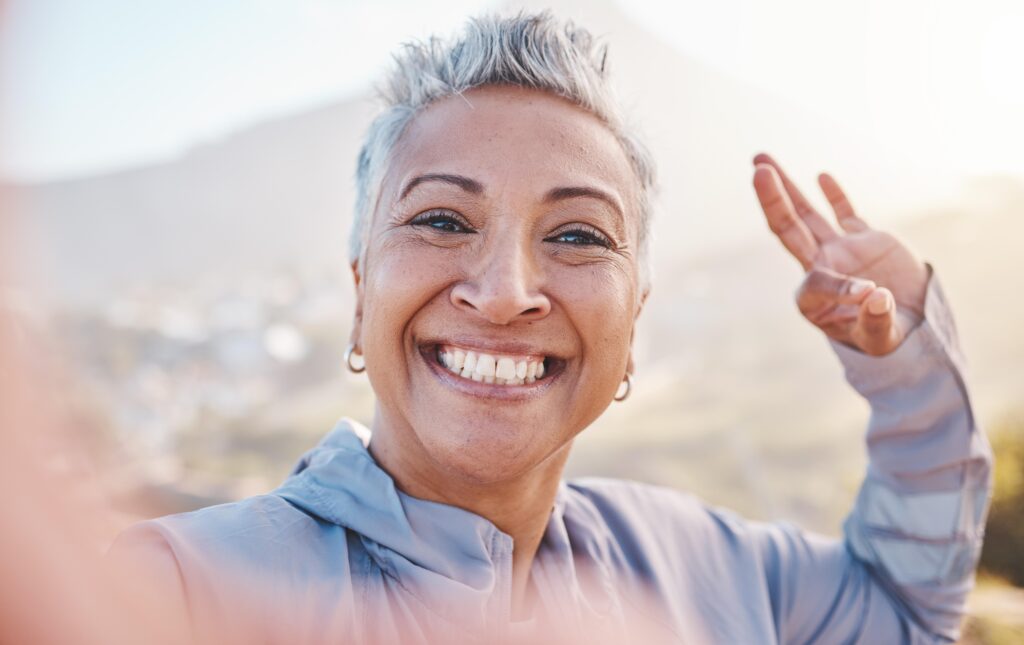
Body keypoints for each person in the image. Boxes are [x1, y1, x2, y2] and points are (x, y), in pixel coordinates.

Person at [110, 12, 992, 644]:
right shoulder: (178, 590)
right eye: (443, 221)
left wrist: (909, 364)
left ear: (633, 327)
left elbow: (902, 613)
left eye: (577, 235)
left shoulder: (695, 566)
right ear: (357, 295)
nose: (504, 293)